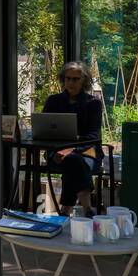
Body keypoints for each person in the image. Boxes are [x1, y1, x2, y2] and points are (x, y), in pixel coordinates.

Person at [43, 60, 104, 213]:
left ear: (84, 80)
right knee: (73, 161)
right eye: (68, 78)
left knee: (73, 160)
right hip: (57, 153)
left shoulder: (93, 103)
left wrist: (73, 148)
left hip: (87, 152)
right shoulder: (53, 101)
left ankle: (66, 208)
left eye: (75, 79)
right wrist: (60, 149)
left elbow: (94, 135)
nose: (71, 82)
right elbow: (43, 131)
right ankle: (87, 206)